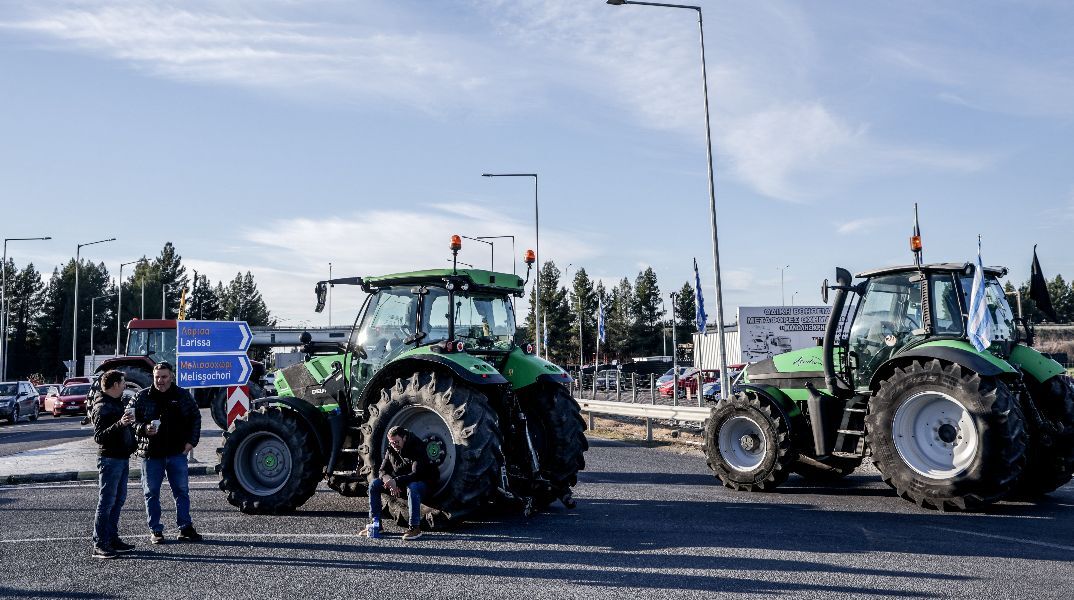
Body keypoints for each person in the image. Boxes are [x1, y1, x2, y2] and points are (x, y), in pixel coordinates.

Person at [134, 362, 203, 544]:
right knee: (151, 493)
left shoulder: (182, 396)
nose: (160, 381)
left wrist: (191, 442)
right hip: (151, 454)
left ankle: (185, 528)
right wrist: (143, 428)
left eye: (164, 377)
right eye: (157, 377)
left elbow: (195, 417)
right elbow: (131, 420)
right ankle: (156, 531)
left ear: (171, 377)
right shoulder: (142, 397)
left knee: (181, 491)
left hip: (177, 453)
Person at [90, 370, 138, 559]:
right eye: (123, 382)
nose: (125, 385)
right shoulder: (102, 406)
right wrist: (120, 423)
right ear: (116, 384)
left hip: (121, 457)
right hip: (110, 459)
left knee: (118, 500)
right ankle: (100, 543)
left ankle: (111, 538)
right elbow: (99, 436)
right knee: (107, 502)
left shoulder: (116, 403)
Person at [360, 425, 438, 541]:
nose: (394, 445)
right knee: (374, 484)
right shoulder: (391, 448)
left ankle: (414, 528)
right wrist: (388, 481)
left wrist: (395, 481)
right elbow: (382, 470)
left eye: (397, 442)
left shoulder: (417, 446)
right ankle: (376, 524)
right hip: (401, 483)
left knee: (412, 487)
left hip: (423, 483)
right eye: (391, 442)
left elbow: (416, 474)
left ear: (404, 438)